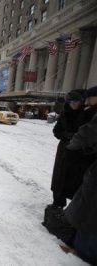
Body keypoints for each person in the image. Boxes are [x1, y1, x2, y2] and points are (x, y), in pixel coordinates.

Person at [64, 86, 97, 265]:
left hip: (85, 162)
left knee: (90, 211)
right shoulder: (84, 112)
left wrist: (72, 146)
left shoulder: (90, 114)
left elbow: (85, 134)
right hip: (85, 160)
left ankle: (85, 253)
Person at [50, 90, 88, 208]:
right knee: (60, 178)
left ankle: (76, 209)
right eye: (70, 102)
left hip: (81, 152)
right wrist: (66, 135)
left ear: (82, 101)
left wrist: (77, 137)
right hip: (64, 149)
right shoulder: (65, 113)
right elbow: (57, 131)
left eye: (75, 101)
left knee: (77, 180)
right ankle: (57, 203)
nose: (72, 104)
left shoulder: (88, 114)